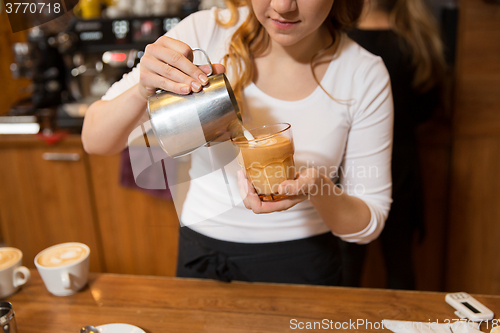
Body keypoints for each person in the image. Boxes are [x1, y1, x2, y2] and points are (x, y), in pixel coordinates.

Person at [82, 0, 394, 286]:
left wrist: (317, 189)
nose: (283, 6)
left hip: (304, 266)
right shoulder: (204, 32)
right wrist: (142, 91)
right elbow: (95, 140)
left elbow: (370, 223)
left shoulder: (363, 73)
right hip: (203, 256)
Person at [339, 0, 446, 289]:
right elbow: (428, 106)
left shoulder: (342, 43)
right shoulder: (418, 42)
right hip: (402, 165)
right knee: (400, 263)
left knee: (347, 263)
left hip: (351, 166)